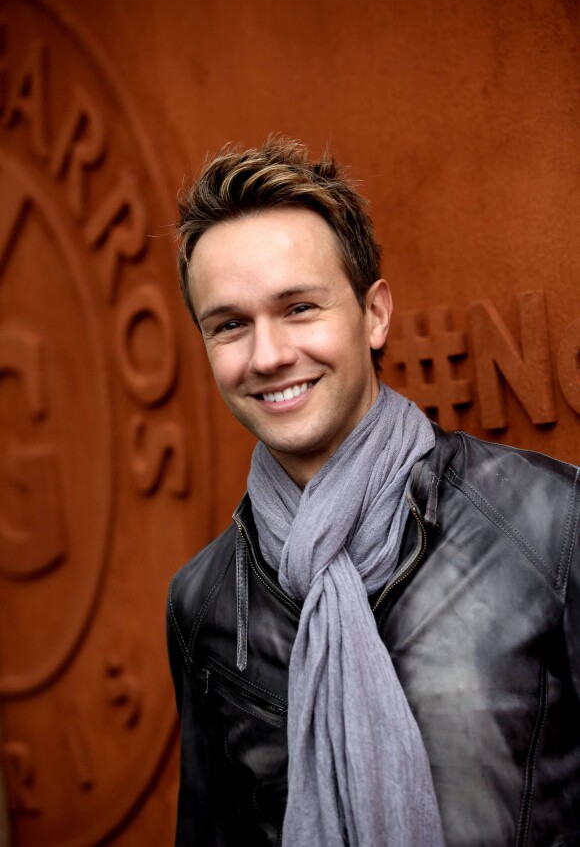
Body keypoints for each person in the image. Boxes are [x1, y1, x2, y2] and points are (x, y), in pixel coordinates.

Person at [166, 137, 580, 847]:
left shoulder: (550, 521)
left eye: (299, 308)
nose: (267, 356)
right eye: (230, 324)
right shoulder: (205, 605)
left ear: (375, 313)